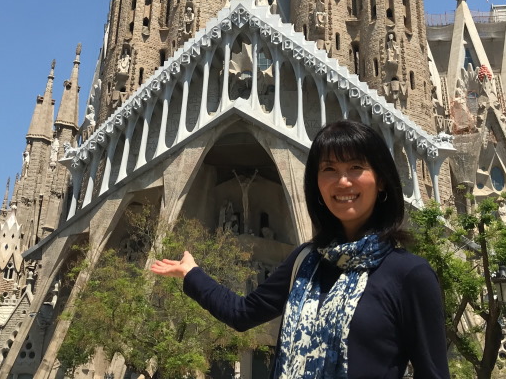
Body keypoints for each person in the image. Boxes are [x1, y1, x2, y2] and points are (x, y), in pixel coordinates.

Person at [149, 120, 450, 378]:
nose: (343, 181)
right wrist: (192, 274)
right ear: (316, 184)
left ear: (381, 181)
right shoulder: (306, 262)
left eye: (356, 167)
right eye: (329, 169)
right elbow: (242, 313)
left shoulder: (409, 274)